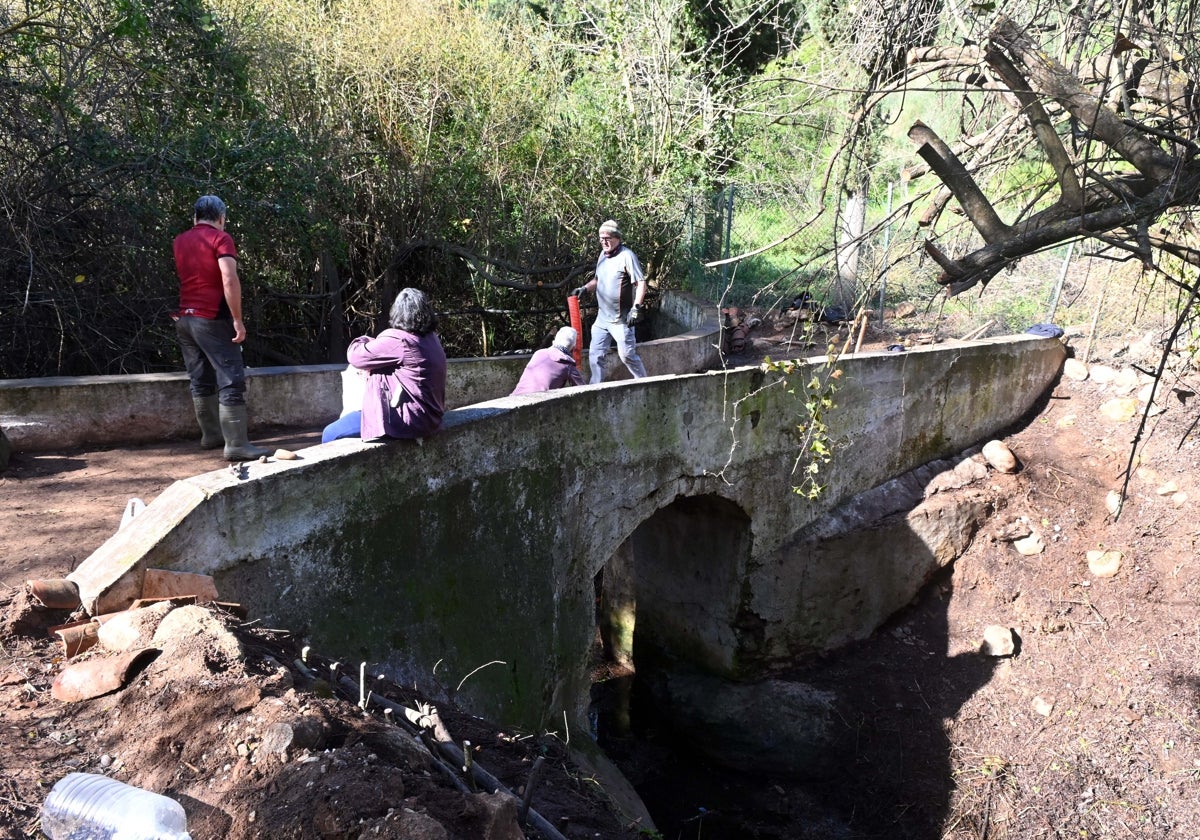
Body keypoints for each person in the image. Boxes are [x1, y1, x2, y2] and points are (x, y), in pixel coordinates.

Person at [173, 194, 270, 461]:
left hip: (185, 319)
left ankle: (211, 435)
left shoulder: (180, 240)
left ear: (195, 217)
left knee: (200, 378)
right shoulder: (220, 238)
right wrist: (237, 319)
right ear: (221, 218)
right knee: (230, 379)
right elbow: (229, 279)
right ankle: (237, 444)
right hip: (211, 318)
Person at [322, 288, 447, 443]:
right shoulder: (431, 338)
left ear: (397, 313)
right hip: (430, 418)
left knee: (330, 433)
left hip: (409, 420)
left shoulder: (399, 339)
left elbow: (355, 356)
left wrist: (365, 339)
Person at [572, 219, 648, 384]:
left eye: (607, 238)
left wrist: (636, 307)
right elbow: (598, 279)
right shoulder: (602, 256)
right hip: (602, 318)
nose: (604, 242)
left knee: (627, 355)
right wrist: (584, 288)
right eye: (601, 238)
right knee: (595, 354)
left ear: (617, 238)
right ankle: (595, 387)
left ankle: (644, 383)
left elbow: (641, 283)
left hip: (620, 319)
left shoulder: (627, 256)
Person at [510, 327, 584, 395]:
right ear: (573, 347)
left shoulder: (538, 353)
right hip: (538, 405)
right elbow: (584, 390)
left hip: (514, 399)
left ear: (554, 340)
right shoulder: (567, 363)